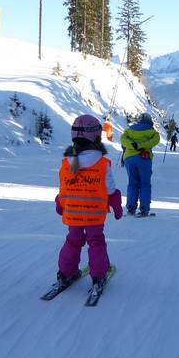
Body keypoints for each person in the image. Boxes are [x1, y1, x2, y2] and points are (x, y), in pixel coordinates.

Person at [53, 115, 124, 291]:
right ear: (97, 137)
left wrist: (60, 205)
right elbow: (111, 190)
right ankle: (98, 276)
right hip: (94, 216)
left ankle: (66, 273)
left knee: (73, 241)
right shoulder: (102, 163)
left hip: (73, 215)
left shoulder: (66, 163)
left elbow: (63, 190)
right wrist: (116, 207)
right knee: (96, 242)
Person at [119, 112, 161, 216]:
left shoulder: (129, 130)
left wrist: (133, 145)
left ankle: (131, 208)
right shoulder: (152, 132)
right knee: (145, 184)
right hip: (144, 158)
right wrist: (141, 145)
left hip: (129, 158)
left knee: (132, 183)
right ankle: (144, 209)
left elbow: (122, 139)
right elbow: (155, 141)